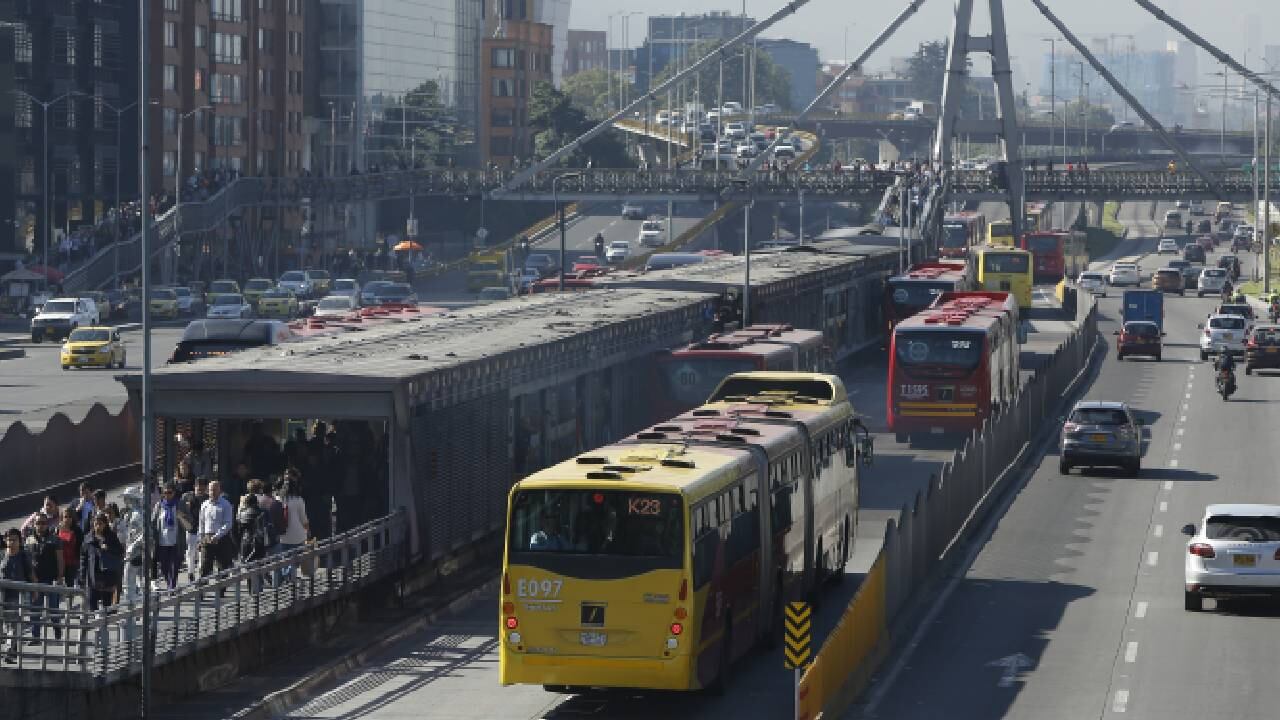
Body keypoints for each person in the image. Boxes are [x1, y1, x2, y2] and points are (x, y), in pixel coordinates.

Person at [25, 513, 64, 645]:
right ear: (34, 525)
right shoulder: (29, 540)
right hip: (35, 580)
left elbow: (60, 559)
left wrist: (60, 577)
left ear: (47, 525)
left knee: (53, 608)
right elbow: (28, 560)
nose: (40, 526)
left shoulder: (55, 539)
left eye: (43, 523)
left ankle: (57, 633)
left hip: (51, 579)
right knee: (35, 610)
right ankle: (36, 637)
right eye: (38, 523)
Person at [1, 528, 34, 663]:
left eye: (14, 539)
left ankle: (9, 652)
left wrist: (35, 590)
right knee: (6, 626)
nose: (12, 542)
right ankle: (11, 650)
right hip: (3, 595)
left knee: (14, 626)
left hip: (17, 595)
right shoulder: (2, 556)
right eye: (9, 539)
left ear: (20, 541)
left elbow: (31, 574)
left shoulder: (23, 556)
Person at [79, 513, 124, 612]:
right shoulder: (88, 538)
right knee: (92, 606)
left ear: (105, 524)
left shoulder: (111, 537)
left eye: (100, 524)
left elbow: (120, 552)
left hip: (108, 577)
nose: (98, 527)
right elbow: (83, 558)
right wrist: (82, 576)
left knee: (107, 607)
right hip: (93, 577)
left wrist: (109, 548)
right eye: (96, 524)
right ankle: (95, 625)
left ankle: (105, 625)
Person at [198, 480, 235, 579]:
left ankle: (221, 591)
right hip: (207, 538)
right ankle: (201, 591)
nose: (212, 492)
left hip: (221, 538)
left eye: (215, 490)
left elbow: (228, 523)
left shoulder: (225, 504)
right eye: (210, 490)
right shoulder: (205, 504)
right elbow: (201, 522)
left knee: (223, 567)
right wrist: (200, 538)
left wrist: (217, 536)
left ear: (219, 490)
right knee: (205, 566)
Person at [275, 478, 310, 583]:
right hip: (298, 535)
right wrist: (308, 530)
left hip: (282, 535)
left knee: (284, 558)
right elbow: (303, 519)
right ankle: (289, 575)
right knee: (296, 560)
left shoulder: (277, 499)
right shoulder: (299, 500)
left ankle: (286, 576)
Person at [151, 483, 185, 590]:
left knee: (174, 566)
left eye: (169, 492)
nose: (167, 495)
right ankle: (168, 582)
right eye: (164, 493)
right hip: (162, 541)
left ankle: (172, 586)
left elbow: (189, 522)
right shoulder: (159, 506)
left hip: (176, 541)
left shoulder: (180, 504)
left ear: (174, 493)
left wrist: (181, 517)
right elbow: (153, 522)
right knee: (164, 567)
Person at [235, 494, 268, 594]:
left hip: (245, 543)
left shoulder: (242, 514)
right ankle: (258, 591)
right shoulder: (263, 512)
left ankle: (251, 592)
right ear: (256, 502)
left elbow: (237, 532)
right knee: (259, 567)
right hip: (259, 543)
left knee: (249, 569)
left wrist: (238, 547)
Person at [181, 477, 209, 582]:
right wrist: (185, 525)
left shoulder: (208, 498)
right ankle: (190, 572)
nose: (200, 490)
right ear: (194, 486)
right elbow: (180, 512)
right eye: (198, 487)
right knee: (190, 552)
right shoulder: (187, 497)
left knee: (202, 553)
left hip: (203, 530)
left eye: (202, 488)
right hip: (191, 529)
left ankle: (201, 573)